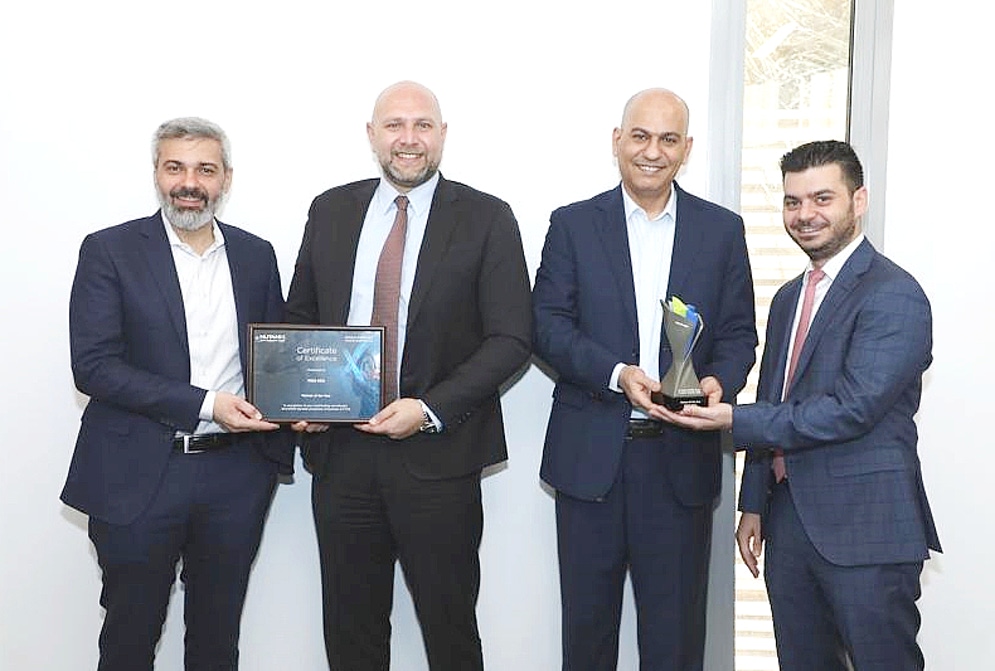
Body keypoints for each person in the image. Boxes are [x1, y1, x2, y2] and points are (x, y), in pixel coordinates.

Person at [661, 140, 941, 671]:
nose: (805, 214)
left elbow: (852, 408)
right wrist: (755, 504)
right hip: (790, 528)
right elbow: (777, 399)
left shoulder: (893, 294)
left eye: (822, 198)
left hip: (867, 531)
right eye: (793, 202)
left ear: (859, 201)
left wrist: (731, 420)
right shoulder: (791, 295)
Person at [285, 81, 532, 671]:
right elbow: (300, 317)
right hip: (342, 457)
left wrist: (427, 409)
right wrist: (300, 398)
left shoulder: (486, 217)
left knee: (449, 631)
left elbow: (512, 338)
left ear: (443, 136)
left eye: (423, 125)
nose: (409, 139)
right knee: (351, 630)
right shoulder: (331, 209)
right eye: (394, 125)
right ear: (371, 135)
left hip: (438, 459)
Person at [532, 88, 758, 671]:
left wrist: (717, 382)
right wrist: (615, 374)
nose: (652, 151)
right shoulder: (574, 224)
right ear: (617, 141)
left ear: (687, 148)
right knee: (586, 636)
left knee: (676, 642)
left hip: (680, 461)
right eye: (640, 136)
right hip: (590, 463)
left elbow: (738, 334)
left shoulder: (722, 230)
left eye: (667, 139)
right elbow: (546, 326)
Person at [62, 117, 292, 670]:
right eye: (176, 167)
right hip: (139, 473)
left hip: (235, 476)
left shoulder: (256, 255)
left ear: (226, 179)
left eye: (205, 169)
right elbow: (93, 367)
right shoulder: (109, 250)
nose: (190, 182)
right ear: (157, 175)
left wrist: (296, 408)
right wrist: (208, 404)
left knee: (217, 640)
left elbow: (277, 356)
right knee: (130, 636)